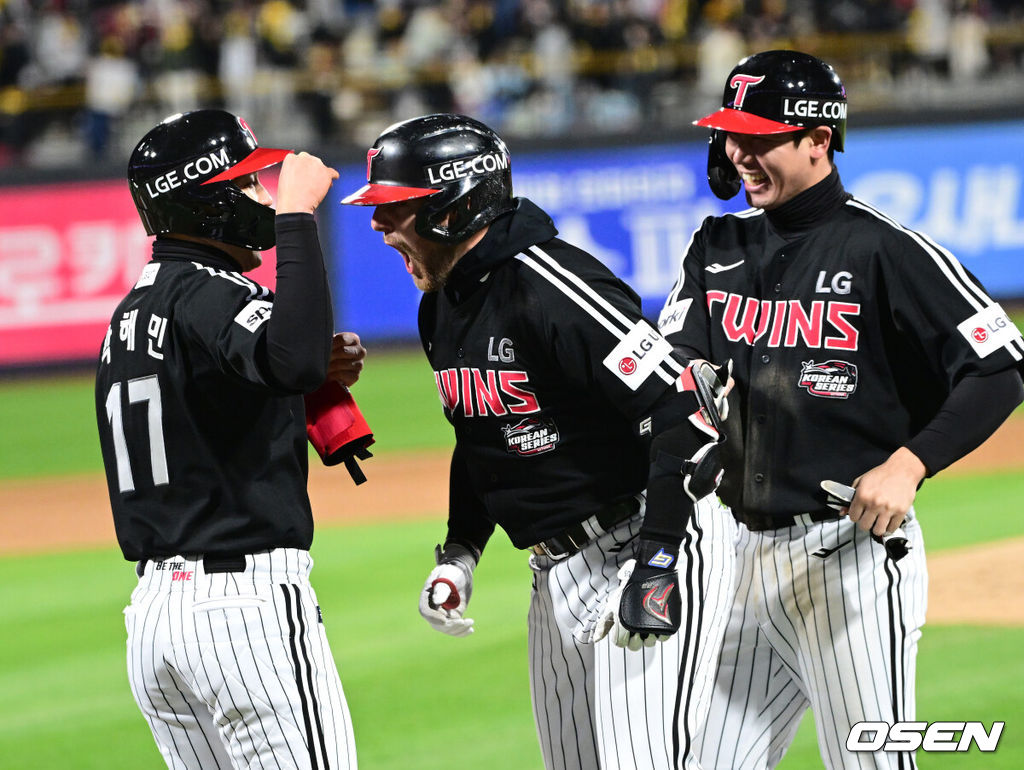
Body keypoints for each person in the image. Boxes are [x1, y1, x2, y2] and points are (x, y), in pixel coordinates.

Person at [660, 50, 1024, 769]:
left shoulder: (886, 251)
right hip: (734, 559)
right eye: (732, 136)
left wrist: (909, 464)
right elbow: (680, 375)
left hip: (848, 560)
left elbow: (1001, 367)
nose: (740, 154)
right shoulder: (718, 244)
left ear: (818, 140)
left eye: (759, 137)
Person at [341, 113, 735, 770]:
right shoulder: (441, 305)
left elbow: (687, 410)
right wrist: (460, 552)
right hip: (556, 571)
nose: (379, 228)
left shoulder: (553, 285)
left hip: (651, 533)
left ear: (452, 205)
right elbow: (482, 437)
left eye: (394, 210)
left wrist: (660, 562)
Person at [95, 109, 369, 770]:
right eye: (250, 186)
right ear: (205, 198)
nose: (265, 197)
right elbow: (295, 362)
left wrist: (296, 374)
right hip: (242, 612)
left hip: (158, 618)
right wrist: (299, 218)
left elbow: (247, 383)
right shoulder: (210, 290)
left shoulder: (134, 310)